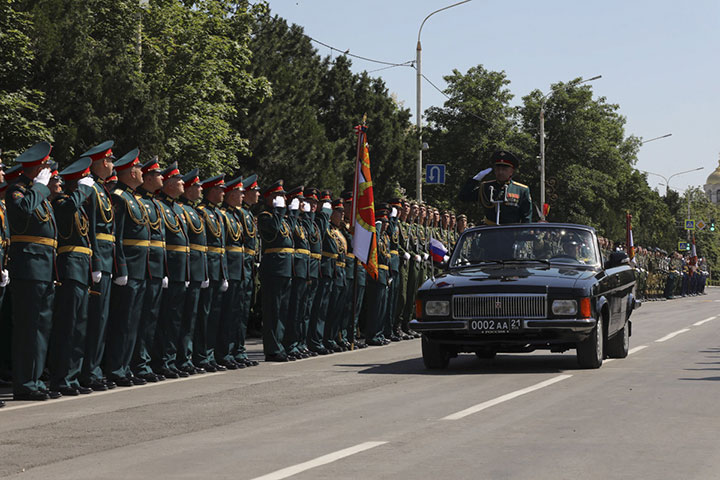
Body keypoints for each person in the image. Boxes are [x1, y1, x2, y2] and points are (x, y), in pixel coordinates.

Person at [7, 141, 60, 401]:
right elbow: (23, 211)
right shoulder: (17, 190)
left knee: (41, 327)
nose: (49, 171)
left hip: (45, 267)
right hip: (28, 266)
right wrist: (39, 186)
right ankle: (24, 382)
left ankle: (35, 379)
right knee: (28, 327)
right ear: (38, 167)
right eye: (46, 166)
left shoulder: (40, 194)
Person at [48, 157, 96, 396]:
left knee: (79, 328)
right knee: (67, 327)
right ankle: (60, 378)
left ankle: (72, 376)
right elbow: (67, 211)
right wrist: (82, 190)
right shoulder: (62, 203)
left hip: (82, 268)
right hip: (69, 268)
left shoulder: (78, 205)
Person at [104, 148, 150, 387]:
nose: (142, 172)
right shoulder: (119, 197)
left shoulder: (132, 197)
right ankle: (115, 367)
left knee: (134, 320)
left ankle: (126, 365)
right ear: (131, 171)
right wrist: (120, 267)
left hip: (140, 268)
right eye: (139, 168)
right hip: (129, 268)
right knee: (122, 321)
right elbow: (117, 236)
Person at [80, 140, 117, 391]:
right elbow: (91, 227)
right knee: (94, 319)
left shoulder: (101, 189)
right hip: (98, 259)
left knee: (102, 318)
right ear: (103, 162)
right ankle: (88, 371)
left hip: (107, 257)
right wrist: (95, 261)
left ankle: (94, 368)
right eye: (111, 160)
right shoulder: (91, 188)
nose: (113, 164)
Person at [153, 162, 191, 378]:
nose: (182, 183)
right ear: (167, 184)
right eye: (178, 180)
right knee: (164, 319)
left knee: (175, 319)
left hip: (180, 270)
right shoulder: (159, 206)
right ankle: (161, 361)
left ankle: (170, 359)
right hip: (167, 269)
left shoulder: (178, 209)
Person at [132, 158, 168, 382]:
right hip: (138, 265)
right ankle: (134, 364)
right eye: (158, 174)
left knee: (150, 319)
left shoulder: (155, 203)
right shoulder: (133, 200)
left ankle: (144, 363)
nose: (162, 178)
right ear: (147, 178)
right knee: (135, 319)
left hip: (153, 266)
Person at [194, 174, 228, 372]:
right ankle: (201, 355)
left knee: (214, 316)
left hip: (218, 269)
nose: (223, 193)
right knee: (203, 317)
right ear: (212, 190)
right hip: (207, 268)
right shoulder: (202, 212)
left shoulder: (217, 214)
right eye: (220, 189)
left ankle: (209, 354)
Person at [258, 180, 295, 362]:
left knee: (282, 311)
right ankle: (271, 349)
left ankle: (279, 345)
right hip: (273, 267)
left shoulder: (283, 219)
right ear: (270, 199)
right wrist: (279, 210)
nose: (284, 199)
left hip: (286, 267)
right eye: (279, 196)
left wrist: (292, 213)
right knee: (273, 310)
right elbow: (272, 231)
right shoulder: (265, 216)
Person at [176, 168, 207, 375]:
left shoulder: (196, 211)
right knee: (181, 317)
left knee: (193, 317)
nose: (200, 188)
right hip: (183, 269)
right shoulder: (180, 209)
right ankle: (180, 358)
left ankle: (187, 357)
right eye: (197, 185)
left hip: (195, 269)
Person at [216, 175, 247, 370]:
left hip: (239, 268)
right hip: (228, 268)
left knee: (235, 314)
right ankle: (223, 353)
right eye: (240, 192)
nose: (243, 195)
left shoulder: (236, 215)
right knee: (224, 315)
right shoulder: (223, 215)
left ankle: (232, 351)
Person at [459, 150, 532, 224]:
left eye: (504, 169)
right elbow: (464, 197)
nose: (500, 172)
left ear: (511, 171)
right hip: (490, 232)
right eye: (498, 169)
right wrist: (475, 180)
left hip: (512, 232)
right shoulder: (485, 187)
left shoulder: (521, 190)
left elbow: (526, 217)